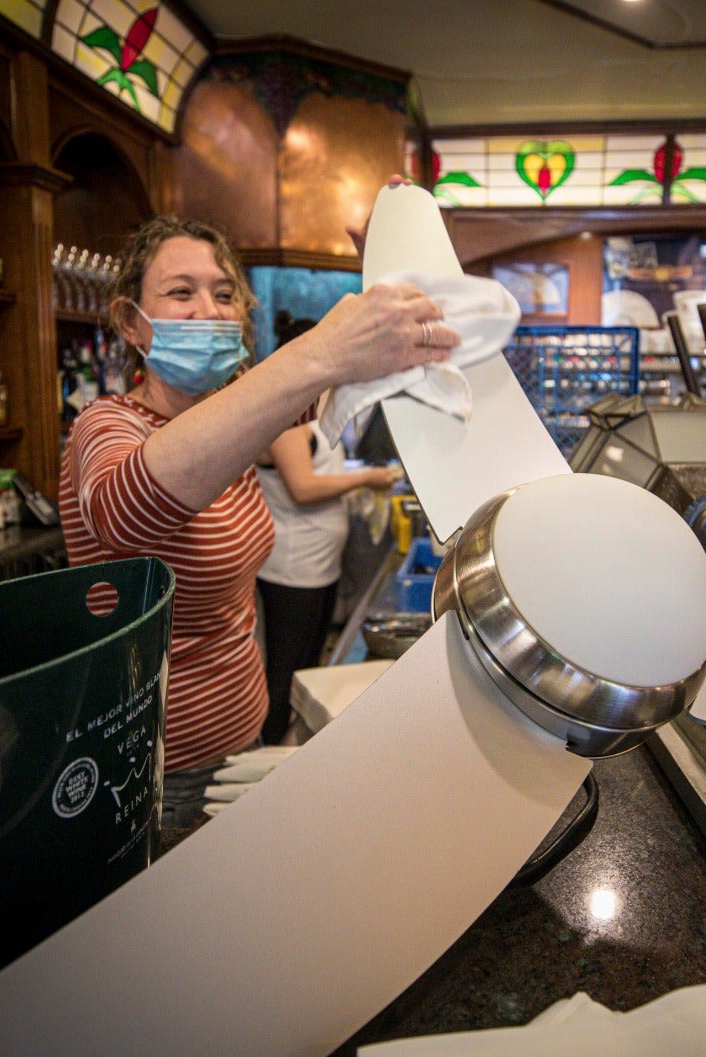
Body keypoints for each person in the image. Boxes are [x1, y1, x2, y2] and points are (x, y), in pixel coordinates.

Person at [58, 211, 458, 829]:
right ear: (130, 322)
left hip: (242, 732)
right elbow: (128, 513)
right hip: (156, 766)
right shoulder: (106, 424)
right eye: (181, 292)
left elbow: (366, 378)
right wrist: (316, 351)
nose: (208, 312)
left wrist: (402, 266)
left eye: (224, 295)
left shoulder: (235, 413)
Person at [255, 313, 402, 744]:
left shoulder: (317, 411)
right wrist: (367, 479)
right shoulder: (286, 417)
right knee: (286, 671)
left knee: (308, 663)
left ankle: (293, 748)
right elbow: (303, 487)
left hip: (319, 566)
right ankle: (272, 754)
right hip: (292, 568)